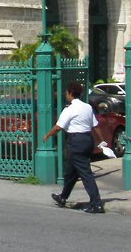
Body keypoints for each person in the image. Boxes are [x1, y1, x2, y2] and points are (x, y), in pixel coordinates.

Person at [42, 82, 106, 213]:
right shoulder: (87, 107)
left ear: (70, 93)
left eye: (66, 92)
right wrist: (101, 140)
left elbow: (59, 127)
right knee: (71, 172)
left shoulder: (69, 109)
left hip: (76, 142)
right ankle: (63, 197)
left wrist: (47, 135)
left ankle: (96, 203)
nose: (65, 94)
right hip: (87, 140)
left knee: (85, 173)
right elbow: (96, 126)